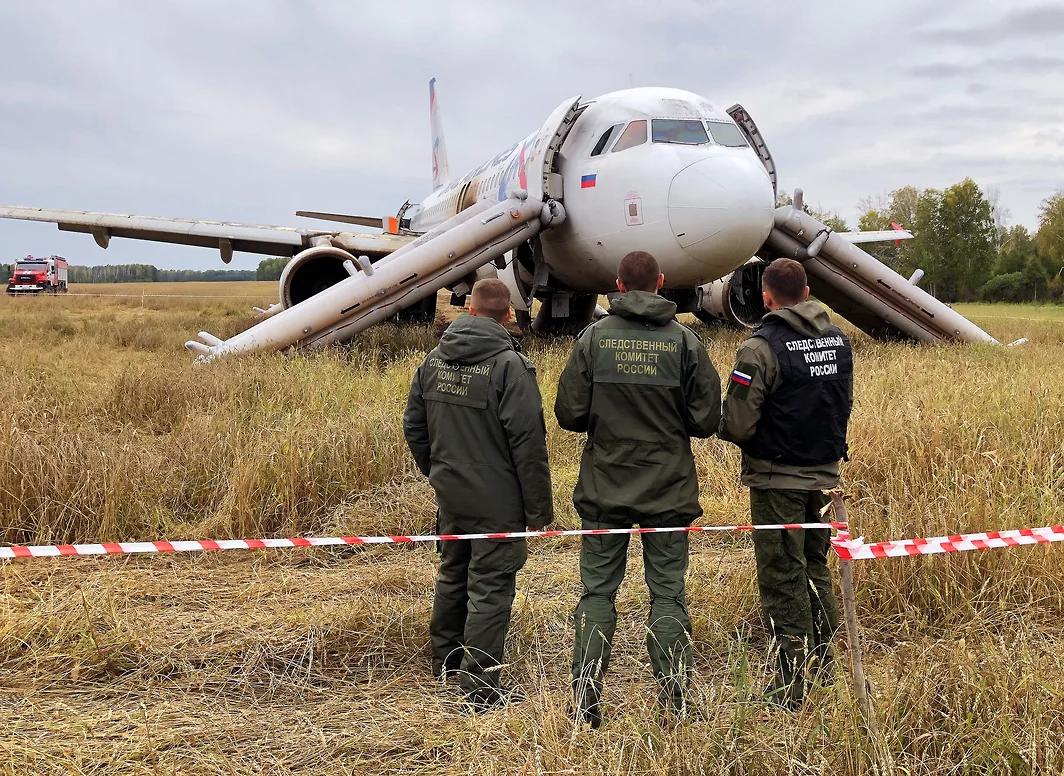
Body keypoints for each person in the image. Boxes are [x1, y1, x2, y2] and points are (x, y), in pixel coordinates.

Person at [554, 251, 721, 727]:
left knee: (597, 596)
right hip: (668, 491)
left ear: (619, 286)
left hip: (605, 490)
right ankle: (676, 702)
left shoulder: (593, 339)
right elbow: (707, 420)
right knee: (667, 596)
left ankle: (585, 704)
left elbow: (569, 414)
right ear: (662, 283)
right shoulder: (686, 342)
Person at [403, 278, 553, 711]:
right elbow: (529, 445)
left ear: (468, 310)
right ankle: (481, 687)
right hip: (498, 503)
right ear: (508, 315)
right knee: (490, 587)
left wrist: (437, 472)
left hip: (451, 494)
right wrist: (539, 511)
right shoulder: (510, 366)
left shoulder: (433, 361)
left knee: (453, 573)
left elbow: (414, 426)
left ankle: (445, 662)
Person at [718, 258, 854, 709]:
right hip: (825, 475)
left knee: (781, 574)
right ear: (809, 290)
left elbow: (737, 422)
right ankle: (826, 667)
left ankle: (791, 683)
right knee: (815, 567)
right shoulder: (838, 341)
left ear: (766, 297)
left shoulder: (760, 348)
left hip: (777, 479)